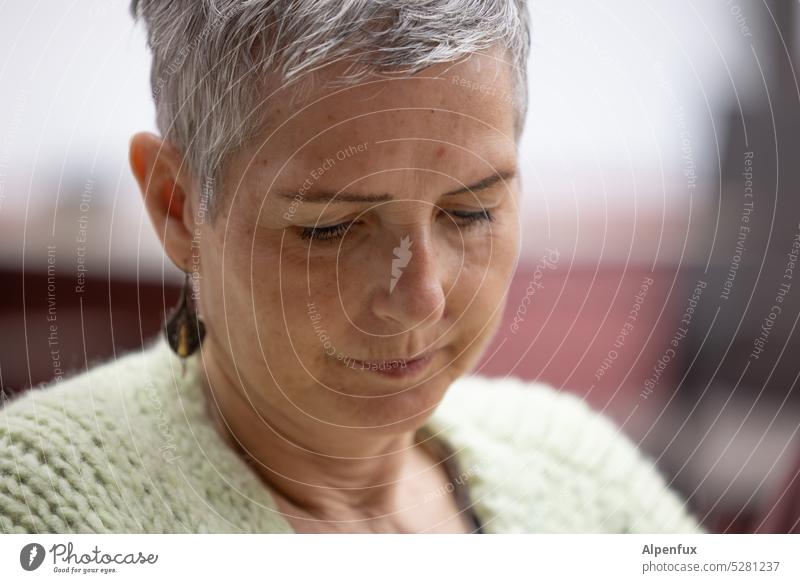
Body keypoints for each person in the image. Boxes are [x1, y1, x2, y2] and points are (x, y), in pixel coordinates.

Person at [0, 0, 702, 534]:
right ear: (178, 207)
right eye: (330, 228)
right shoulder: (44, 504)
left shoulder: (584, 477)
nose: (420, 296)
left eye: (472, 212)